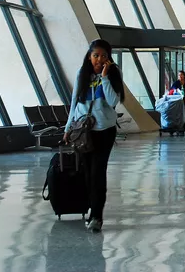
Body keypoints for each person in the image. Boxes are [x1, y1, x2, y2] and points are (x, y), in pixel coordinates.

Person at [63, 39, 123, 233]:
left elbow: (114, 101)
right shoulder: (82, 74)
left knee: (98, 173)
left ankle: (97, 216)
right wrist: (67, 128)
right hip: (83, 131)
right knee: (87, 173)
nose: (99, 59)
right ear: (89, 56)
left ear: (108, 59)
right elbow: (74, 102)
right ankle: (90, 208)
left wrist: (105, 77)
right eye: (95, 55)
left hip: (104, 131)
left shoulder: (113, 73)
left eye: (103, 56)